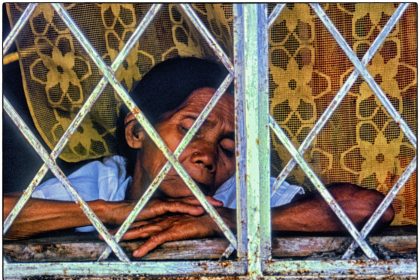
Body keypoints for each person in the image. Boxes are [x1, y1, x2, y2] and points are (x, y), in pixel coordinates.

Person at [4, 57, 394, 258]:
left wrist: (234, 223)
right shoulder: (107, 181)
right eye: (189, 128)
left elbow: (371, 209)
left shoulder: (238, 192)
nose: (207, 155)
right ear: (137, 132)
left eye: (228, 149)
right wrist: (106, 212)